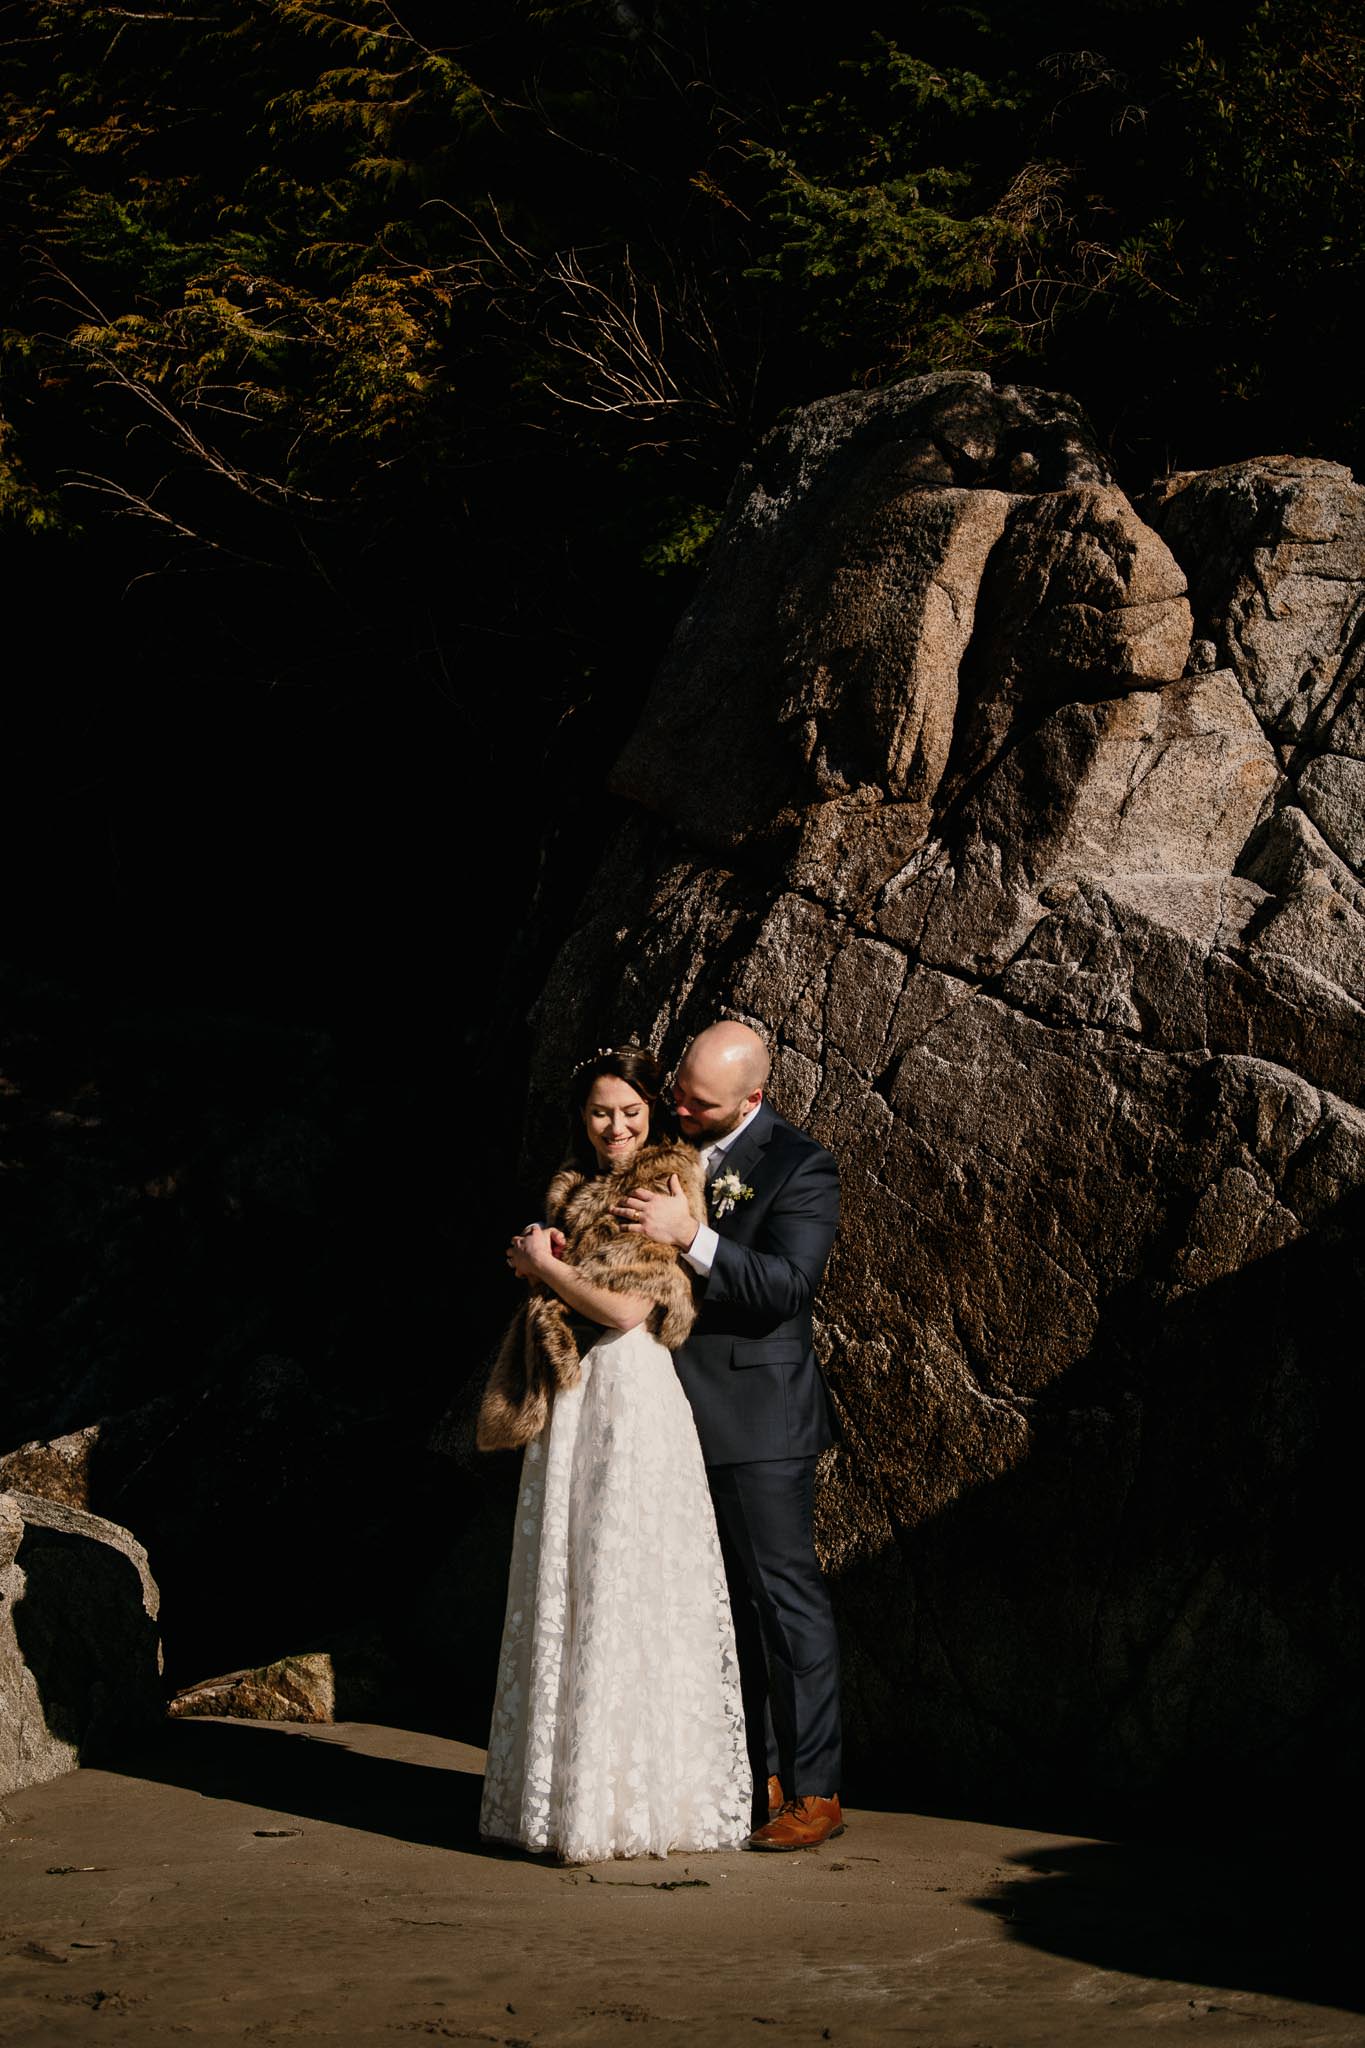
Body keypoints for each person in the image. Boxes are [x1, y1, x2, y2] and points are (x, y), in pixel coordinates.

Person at [476, 1045, 750, 1864]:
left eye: (631, 1111)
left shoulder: (661, 1184)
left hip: (627, 1391)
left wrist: (542, 1269)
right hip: (577, 1393)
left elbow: (627, 1310)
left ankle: (628, 1801)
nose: (617, 1126)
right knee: (572, 1574)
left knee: (620, 1575)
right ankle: (566, 1800)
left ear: (654, 1114)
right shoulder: (577, 1185)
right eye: (601, 1113)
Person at [615, 1021, 843, 1851]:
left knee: (785, 1604)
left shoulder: (799, 1164)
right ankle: (754, 1778)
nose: (677, 1107)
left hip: (758, 1420)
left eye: (698, 1103)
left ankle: (815, 1792)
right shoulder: (664, 1140)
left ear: (751, 1099)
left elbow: (788, 1286)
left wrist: (693, 1238)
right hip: (665, 1412)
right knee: (718, 1612)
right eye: (677, 1089)